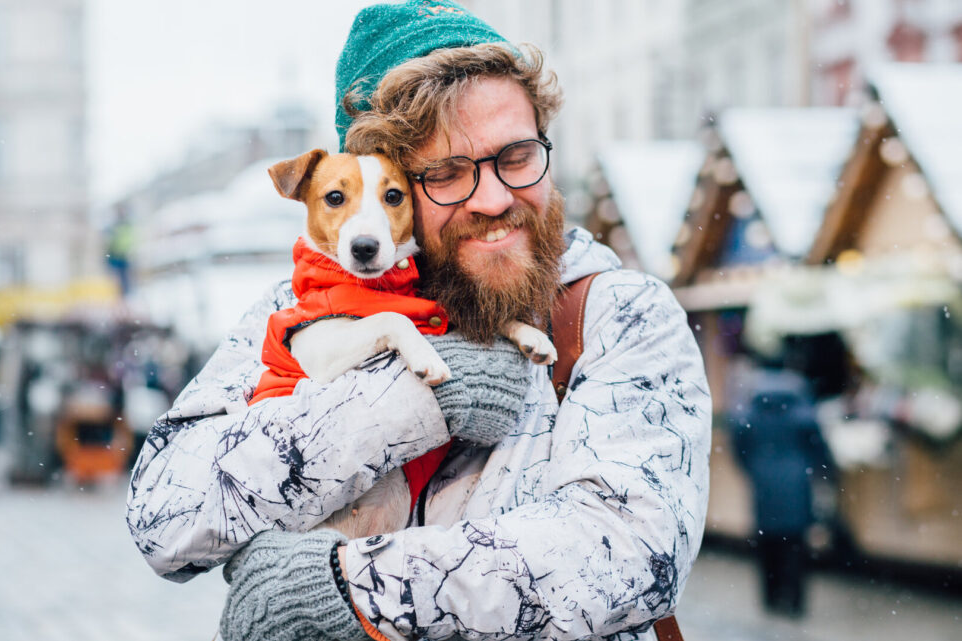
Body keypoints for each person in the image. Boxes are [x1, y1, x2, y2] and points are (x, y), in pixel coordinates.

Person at [126, 2, 711, 640]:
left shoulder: (617, 314)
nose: (494, 199)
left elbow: (626, 556)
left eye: (515, 156)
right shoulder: (294, 307)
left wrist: (351, 589)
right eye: (449, 174)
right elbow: (166, 517)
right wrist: (407, 400)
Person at [728, 365, 828, 618]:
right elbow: (819, 448)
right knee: (794, 544)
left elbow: (739, 445)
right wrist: (814, 469)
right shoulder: (801, 410)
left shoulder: (751, 411)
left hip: (763, 484)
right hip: (797, 483)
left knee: (767, 543)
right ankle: (794, 602)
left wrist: (753, 469)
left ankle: (771, 599)